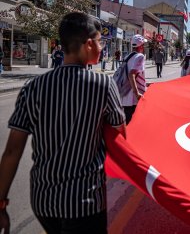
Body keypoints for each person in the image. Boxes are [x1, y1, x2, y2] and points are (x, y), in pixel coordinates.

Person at [0, 12, 126, 234]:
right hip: (86, 202)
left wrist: (0, 203)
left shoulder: (33, 87)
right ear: (88, 44)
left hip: (43, 202)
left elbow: (12, 151)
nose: (101, 47)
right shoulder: (103, 85)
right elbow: (120, 136)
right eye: (99, 41)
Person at [121, 34, 147, 124]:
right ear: (141, 45)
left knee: (127, 124)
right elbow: (131, 74)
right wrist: (137, 93)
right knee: (134, 125)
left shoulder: (127, 57)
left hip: (125, 96)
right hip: (133, 99)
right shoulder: (140, 56)